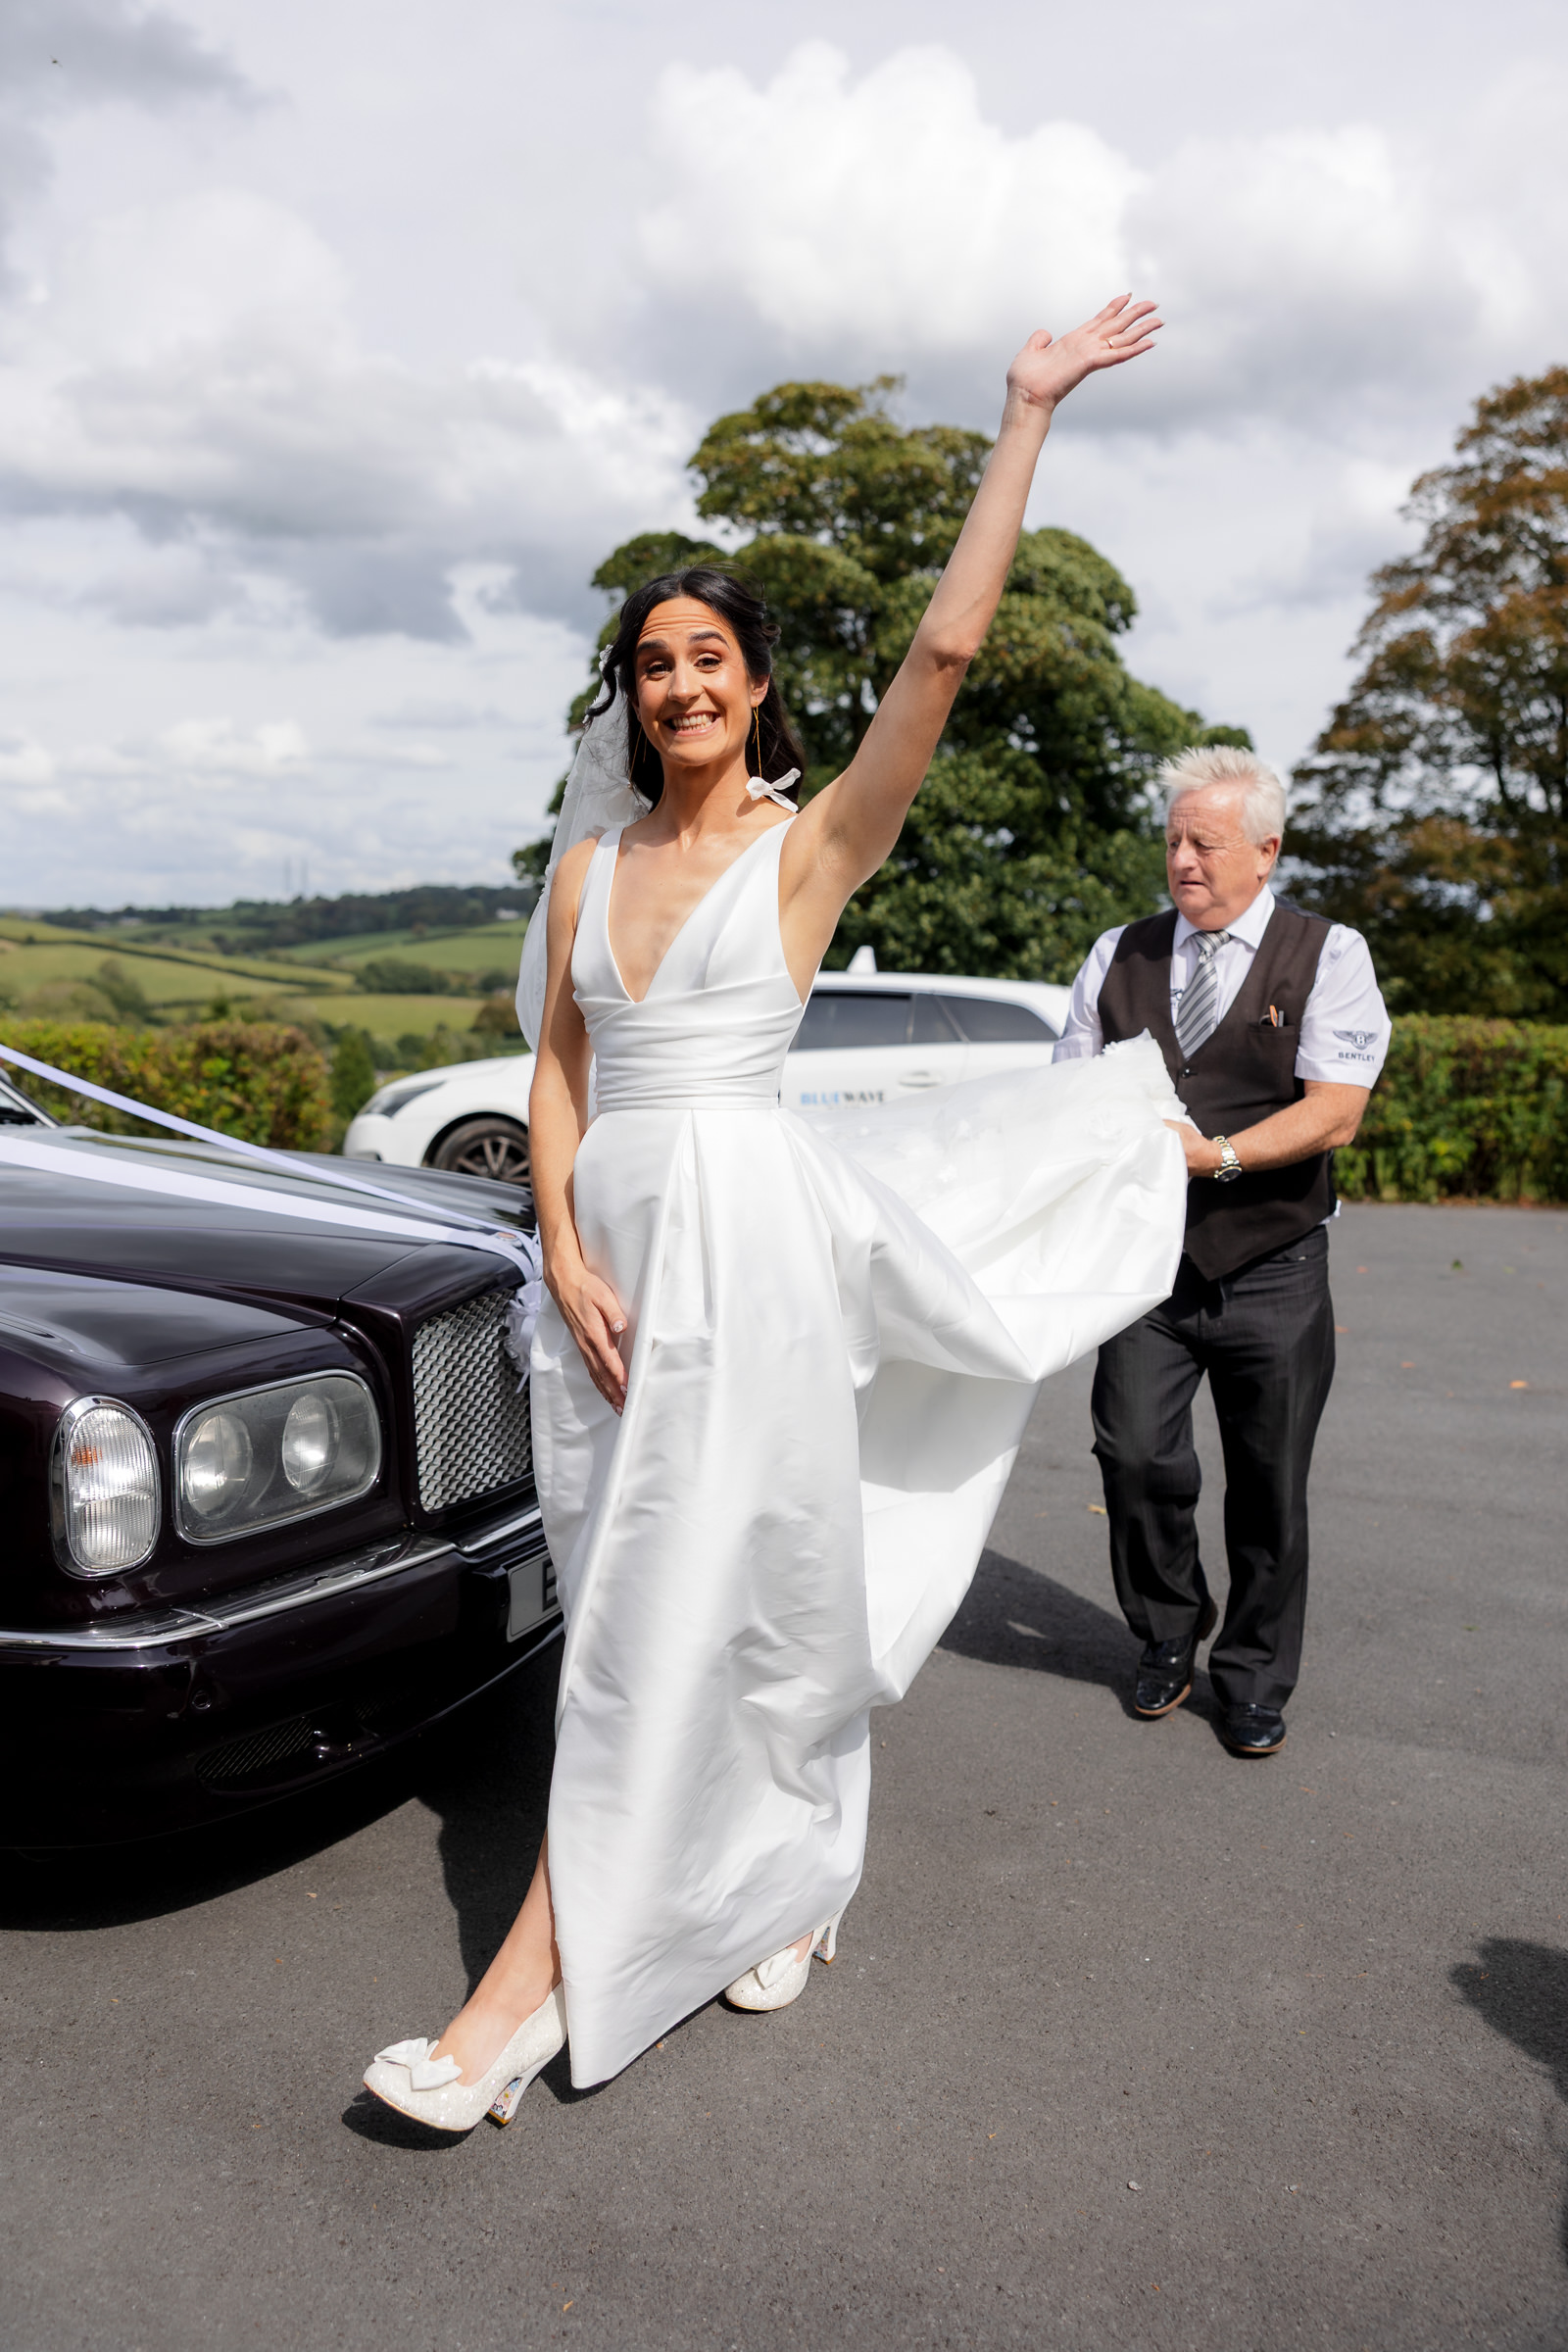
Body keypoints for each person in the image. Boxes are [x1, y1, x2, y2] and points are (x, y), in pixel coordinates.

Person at [363, 296, 1191, 2132]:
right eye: (651, 661)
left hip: (746, 1251)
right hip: (600, 1274)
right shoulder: (587, 868)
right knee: (663, 1598)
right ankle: (788, 1867)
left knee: (677, 1615)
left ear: (754, 686)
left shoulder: (808, 849)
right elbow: (559, 1071)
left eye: (710, 657)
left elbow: (946, 654)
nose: (680, 685)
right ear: (630, 694)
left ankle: (519, 1998)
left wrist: (1026, 415)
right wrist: (559, 1242)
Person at [1054, 747, 1390, 1757]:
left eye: (1203, 843)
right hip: (1147, 1269)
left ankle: (1252, 1677)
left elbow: (1335, 1113)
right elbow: (1070, 1091)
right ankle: (1167, 1628)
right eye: (1172, 841)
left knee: (1268, 1485)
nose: (1182, 861)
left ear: (1265, 850)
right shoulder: (1117, 954)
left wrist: (1220, 1157)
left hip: (1275, 1263)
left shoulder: (1328, 954)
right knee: (1133, 1454)